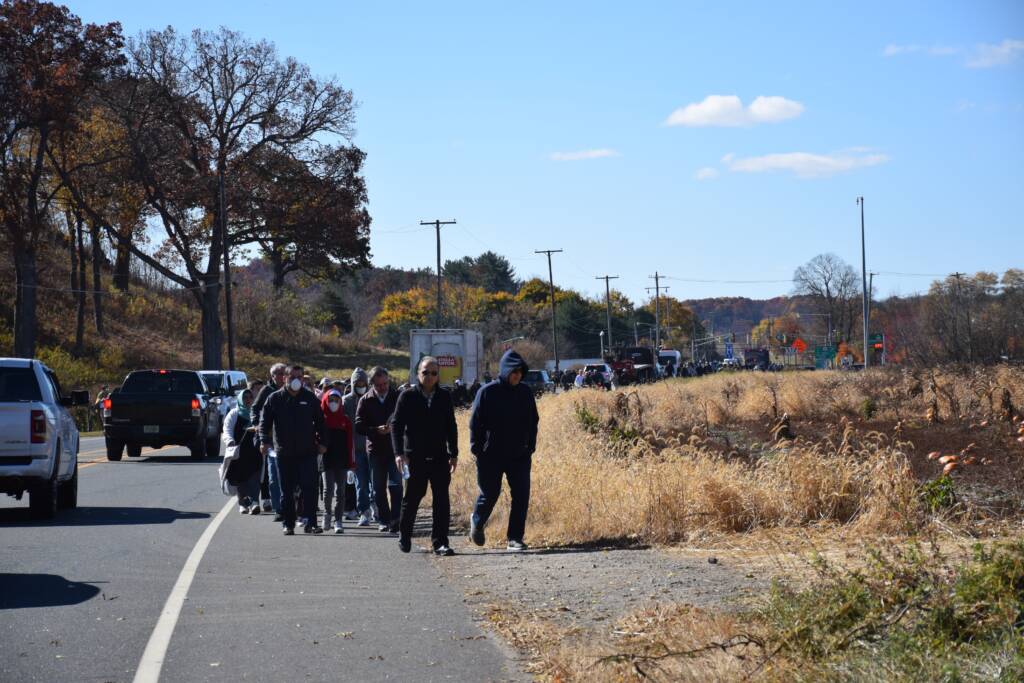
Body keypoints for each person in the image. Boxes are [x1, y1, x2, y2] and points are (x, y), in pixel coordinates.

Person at [469, 349, 540, 552]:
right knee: (490, 493)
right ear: (504, 371)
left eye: (520, 371)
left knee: (521, 495)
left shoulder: (525, 392)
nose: (517, 375)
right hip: (490, 455)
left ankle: (515, 538)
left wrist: (530, 446)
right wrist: (478, 449)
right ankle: (477, 520)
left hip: (519, 455)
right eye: (513, 371)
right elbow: (475, 423)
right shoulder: (487, 392)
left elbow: (533, 421)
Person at [390, 356, 459, 556]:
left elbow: (451, 426)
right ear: (418, 373)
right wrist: (398, 453)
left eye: (434, 373)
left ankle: (440, 543)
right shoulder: (407, 396)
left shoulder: (444, 396)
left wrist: (453, 453)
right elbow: (396, 425)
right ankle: (405, 535)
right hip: (414, 457)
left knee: (441, 501)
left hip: (439, 457)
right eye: (425, 372)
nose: (429, 376)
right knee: (411, 499)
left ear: (438, 375)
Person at [259, 365, 326, 535]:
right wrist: (264, 441)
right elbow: (264, 422)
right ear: (284, 378)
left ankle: (311, 523)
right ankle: (288, 524)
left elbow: (321, 422)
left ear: (303, 379)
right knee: (286, 491)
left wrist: (323, 442)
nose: (296, 380)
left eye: (299, 377)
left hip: (307, 452)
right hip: (284, 453)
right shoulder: (275, 398)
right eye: (292, 376)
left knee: (309, 489)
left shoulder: (310, 398)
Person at [355, 367, 403, 534]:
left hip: (395, 449)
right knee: (378, 488)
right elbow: (359, 426)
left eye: (385, 383)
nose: (383, 387)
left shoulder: (398, 397)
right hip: (375, 450)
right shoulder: (365, 400)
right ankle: (384, 519)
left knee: (396, 486)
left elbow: (407, 420)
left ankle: (396, 519)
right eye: (379, 385)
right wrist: (376, 430)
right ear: (372, 384)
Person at [220, 388, 263, 514]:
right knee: (240, 478)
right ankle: (243, 503)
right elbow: (227, 430)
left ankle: (255, 502)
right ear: (240, 399)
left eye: (250, 397)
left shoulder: (257, 413)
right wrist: (230, 441)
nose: (248, 400)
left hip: (255, 450)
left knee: (255, 476)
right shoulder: (234, 413)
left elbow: (264, 426)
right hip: (239, 451)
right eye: (245, 397)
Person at [252, 363, 287, 517]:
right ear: (272, 376)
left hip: (290, 438)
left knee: (289, 476)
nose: (280, 376)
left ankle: (290, 506)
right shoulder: (267, 391)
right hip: (271, 439)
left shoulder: (292, 390)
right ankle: (278, 509)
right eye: (277, 374)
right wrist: (257, 425)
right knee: (273, 476)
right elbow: (254, 409)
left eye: (282, 373)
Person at [320, 387, 355, 534]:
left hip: (342, 460)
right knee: (328, 491)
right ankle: (327, 514)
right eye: (331, 400)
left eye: (336, 400)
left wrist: (352, 464)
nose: (333, 403)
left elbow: (350, 443)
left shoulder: (345, 420)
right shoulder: (321, 419)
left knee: (341, 491)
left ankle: (338, 520)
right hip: (326, 459)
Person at [344, 368, 374, 526]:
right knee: (361, 485)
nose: (361, 386)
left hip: (373, 448)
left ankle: (377, 507)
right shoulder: (346, 401)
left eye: (363, 383)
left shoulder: (372, 399)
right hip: (356, 450)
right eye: (357, 383)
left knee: (376, 483)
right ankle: (364, 511)